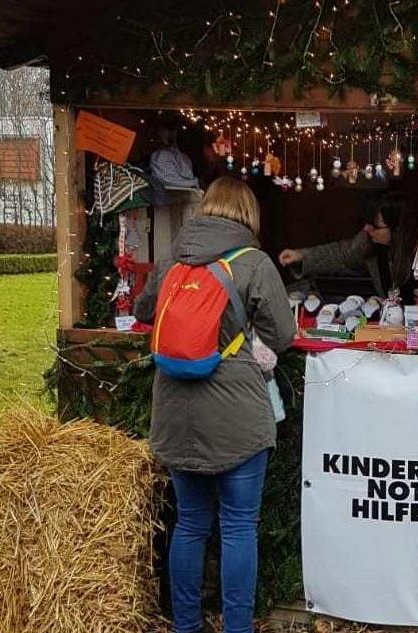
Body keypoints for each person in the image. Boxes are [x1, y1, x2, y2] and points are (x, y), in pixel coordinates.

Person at [134, 177, 295, 633]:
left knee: (189, 524)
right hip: (237, 419)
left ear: (206, 208)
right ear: (248, 215)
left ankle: (186, 625)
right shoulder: (254, 263)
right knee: (239, 528)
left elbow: (147, 312)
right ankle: (237, 627)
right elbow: (282, 335)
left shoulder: (173, 258)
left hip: (175, 415)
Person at [278, 192, 418, 319]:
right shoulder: (372, 244)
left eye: (375, 226)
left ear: (397, 227)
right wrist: (301, 255)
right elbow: (342, 253)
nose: (367, 230)